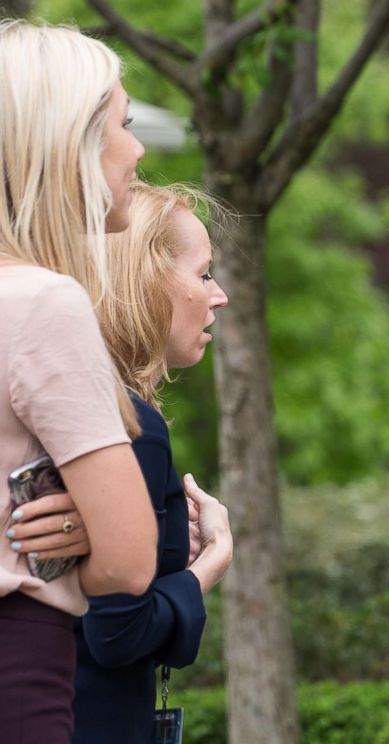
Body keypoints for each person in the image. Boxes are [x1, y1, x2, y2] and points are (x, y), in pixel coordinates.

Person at [0, 20, 158, 743]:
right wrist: (79, 544)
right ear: (70, 142)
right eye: (123, 125)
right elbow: (129, 563)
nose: (139, 151)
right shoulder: (42, 302)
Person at [61, 182, 233, 742]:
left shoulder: (68, 403)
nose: (220, 294)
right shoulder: (132, 425)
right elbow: (118, 632)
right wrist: (208, 563)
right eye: (204, 273)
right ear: (145, 278)